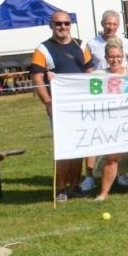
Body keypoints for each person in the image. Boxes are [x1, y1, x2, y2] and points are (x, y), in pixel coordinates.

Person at [30, 11, 96, 200]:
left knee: (79, 146)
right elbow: (37, 79)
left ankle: (75, 186)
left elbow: (90, 73)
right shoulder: (42, 49)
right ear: (51, 25)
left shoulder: (81, 45)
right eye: (58, 24)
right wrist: (48, 103)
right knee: (63, 148)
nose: (63, 27)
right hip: (59, 107)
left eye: (66, 23)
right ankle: (60, 188)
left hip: (81, 106)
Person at [92, 40, 128, 200]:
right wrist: (56, 78)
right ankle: (103, 193)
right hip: (112, 123)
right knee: (112, 157)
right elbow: (77, 84)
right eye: (111, 57)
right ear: (105, 57)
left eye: (118, 56)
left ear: (123, 56)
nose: (115, 60)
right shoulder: (98, 76)